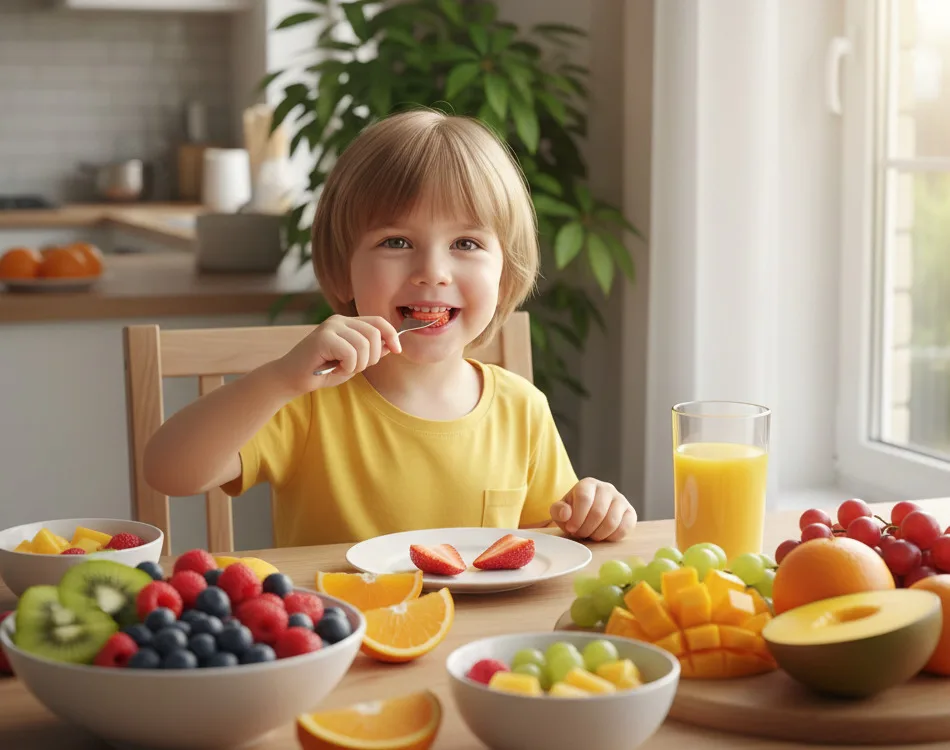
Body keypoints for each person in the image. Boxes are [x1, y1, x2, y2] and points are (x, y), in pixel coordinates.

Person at [143, 109, 636, 548]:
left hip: (473, 648)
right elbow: (169, 471)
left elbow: (549, 546)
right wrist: (278, 380)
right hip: (346, 643)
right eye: (397, 241)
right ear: (341, 272)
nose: (433, 271)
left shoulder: (522, 409)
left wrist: (593, 512)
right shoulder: (306, 399)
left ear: (505, 279)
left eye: (465, 244)